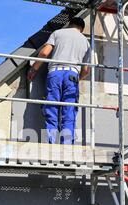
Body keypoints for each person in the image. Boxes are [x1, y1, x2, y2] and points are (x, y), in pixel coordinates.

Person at [27, 17, 91, 145]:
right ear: (81, 29)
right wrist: (78, 80)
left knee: (51, 108)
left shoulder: (57, 33)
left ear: (69, 25)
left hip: (55, 73)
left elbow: (44, 53)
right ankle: (66, 146)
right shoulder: (86, 42)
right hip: (72, 74)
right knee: (69, 112)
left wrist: (34, 69)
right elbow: (86, 70)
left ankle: (50, 143)